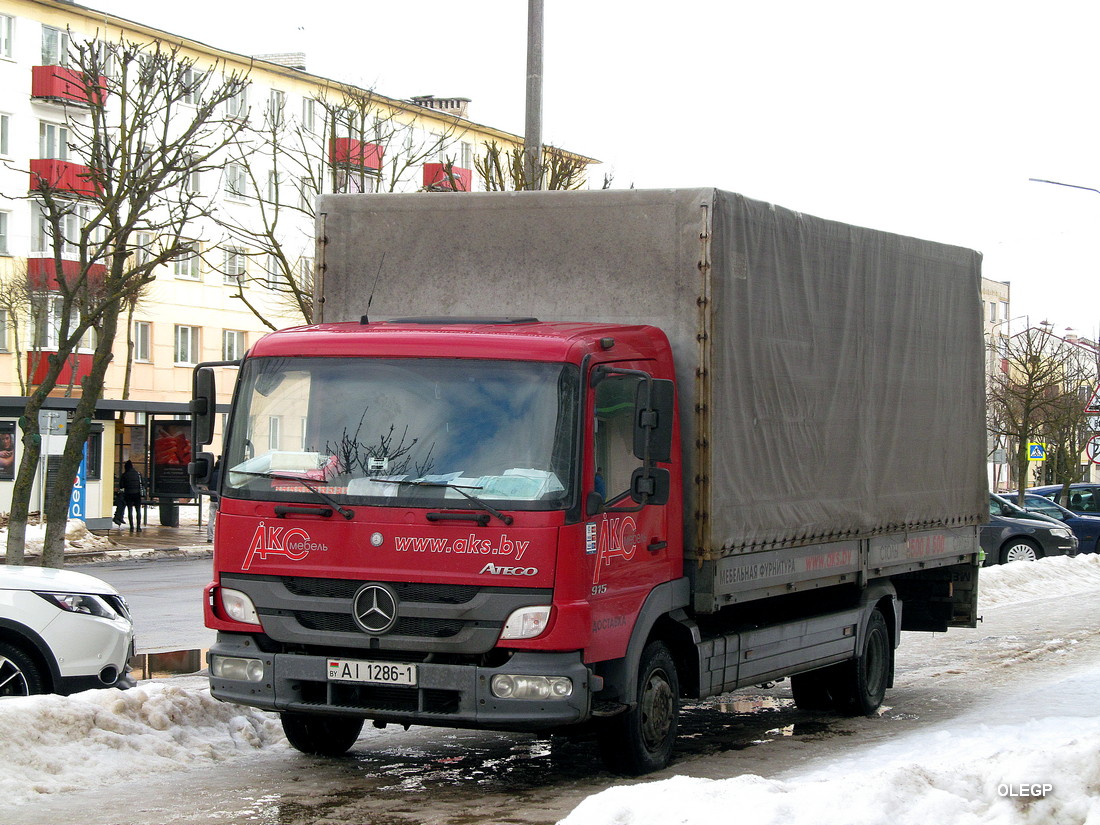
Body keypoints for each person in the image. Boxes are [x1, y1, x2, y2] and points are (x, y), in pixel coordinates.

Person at [120, 460, 143, 533]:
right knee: (138, 510)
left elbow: (121, 485)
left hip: (128, 494)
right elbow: (143, 484)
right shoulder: (138, 474)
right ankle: (138, 527)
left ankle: (131, 526)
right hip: (137, 494)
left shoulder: (125, 475)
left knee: (130, 510)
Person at [207, 457, 222, 543]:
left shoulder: (211, 475)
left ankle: (210, 537)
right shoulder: (222, 476)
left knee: (211, 519)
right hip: (220, 500)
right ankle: (219, 537)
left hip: (212, 499)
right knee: (220, 520)